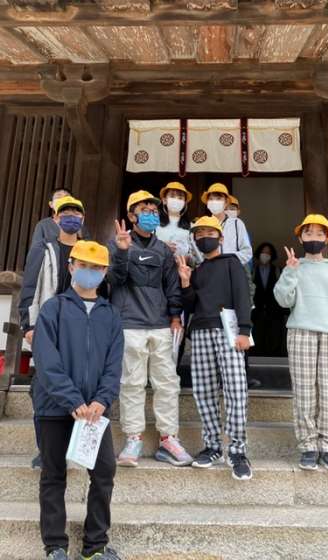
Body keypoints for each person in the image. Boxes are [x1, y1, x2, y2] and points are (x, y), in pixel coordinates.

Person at [31, 240, 124, 560]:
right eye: (83, 265)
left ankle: (95, 546)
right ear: (71, 267)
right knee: (53, 475)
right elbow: (46, 361)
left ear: (105, 273)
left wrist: (102, 400)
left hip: (94, 413)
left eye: (96, 268)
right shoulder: (53, 309)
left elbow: (114, 365)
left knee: (104, 472)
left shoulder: (111, 315)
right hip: (54, 407)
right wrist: (72, 400)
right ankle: (55, 546)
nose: (89, 272)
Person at [108, 189, 192, 468]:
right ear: (131, 216)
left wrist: (175, 316)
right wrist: (121, 251)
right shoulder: (118, 244)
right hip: (129, 323)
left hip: (160, 325)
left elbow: (172, 287)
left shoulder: (163, 250)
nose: (151, 214)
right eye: (144, 211)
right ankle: (133, 438)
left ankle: (169, 439)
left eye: (154, 211)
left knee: (167, 382)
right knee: (131, 383)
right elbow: (114, 280)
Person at [273, 214, 328, 472]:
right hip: (300, 332)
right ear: (300, 238)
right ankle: (309, 447)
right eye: (308, 233)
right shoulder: (294, 266)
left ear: (327, 239)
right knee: (304, 392)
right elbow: (283, 300)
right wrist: (290, 271)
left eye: (319, 234)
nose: (314, 238)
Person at [177, 216, 253, 481]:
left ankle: (238, 451)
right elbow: (190, 305)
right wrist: (185, 283)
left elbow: (243, 295)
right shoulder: (197, 270)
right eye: (199, 234)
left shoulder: (232, 263)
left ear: (221, 238)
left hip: (228, 331)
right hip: (200, 331)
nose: (204, 238)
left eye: (210, 233)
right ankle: (212, 446)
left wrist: (245, 330)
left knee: (235, 389)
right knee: (203, 390)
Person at [19, 195, 86, 470]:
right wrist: (28, 325)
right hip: (48, 327)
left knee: (78, 387)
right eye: (65, 212)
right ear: (56, 218)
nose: (71, 217)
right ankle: (44, 450)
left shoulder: (87, 250)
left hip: (78, 329)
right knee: (43, 388)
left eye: (76, 213)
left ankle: (72, 447)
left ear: (83, 219)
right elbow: (29, 287)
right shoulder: (43, 248)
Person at [200, 183, 252, 266]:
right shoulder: (201, 224)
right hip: (208, 269)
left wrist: (226, 261)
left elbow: (247, 252)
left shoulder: (237, 223)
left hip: (231, 269)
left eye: (218, 199)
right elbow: (197, 253)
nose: (214, 202)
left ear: (226, 202)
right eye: (211, 199)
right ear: (207, 203)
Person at [252, 242, 287, 357]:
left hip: (274, 311)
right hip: (257, 311)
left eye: (268, 253)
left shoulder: (277, 270)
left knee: (275, 336)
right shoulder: (253, 271)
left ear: (272, 256)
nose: (265, 255)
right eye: (263, 252)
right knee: (257, 336)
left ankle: (274, 357)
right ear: (259, 254)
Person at [156, 181, 194, 259]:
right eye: (172, 196)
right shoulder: (154, 223)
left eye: (180, 198)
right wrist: (161, 246)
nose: (176, 200)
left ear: (185, 203)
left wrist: (187, 258)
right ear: (164, 200)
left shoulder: (192, 227)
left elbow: (196, 256)